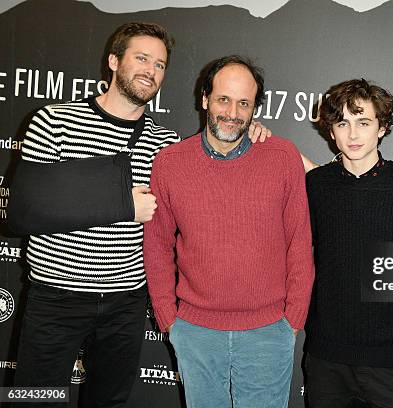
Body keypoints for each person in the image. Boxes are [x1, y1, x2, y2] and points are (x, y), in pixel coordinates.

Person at [11, 22, 178, 407]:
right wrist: (121, 204)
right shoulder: (54, 121)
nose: (150, 70)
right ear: (113, 60)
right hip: (56, 297)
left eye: (160, 64)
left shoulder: (165, 143)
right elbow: (25, 211)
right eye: (141, 58)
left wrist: (253, 130)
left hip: (126, 302)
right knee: (31, 400)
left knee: (109, 402)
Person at [143, 55, 315, 408]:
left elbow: (300, 241)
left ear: (255, 109)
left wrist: (292, 320)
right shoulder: (169, 162)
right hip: (195, 331)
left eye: (243, 103)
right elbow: (157, 245)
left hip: (269, 331)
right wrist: (169, 320)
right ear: (204, 99)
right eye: (223, 99)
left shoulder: (282, 156)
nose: (232, 112)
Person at [303, 79, 393, 408]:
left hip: (388, 359)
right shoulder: (315, 184)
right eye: (343, 123)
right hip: (325, 357)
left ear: (382, 128)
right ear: (331, 130)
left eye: (363, 122)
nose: (353, 134)